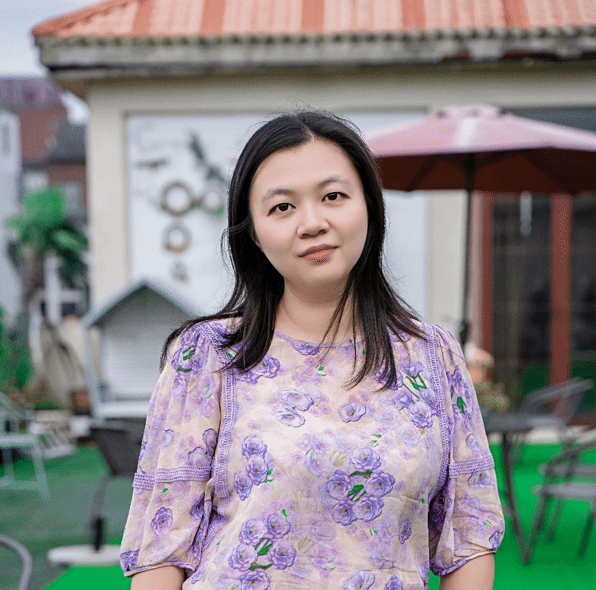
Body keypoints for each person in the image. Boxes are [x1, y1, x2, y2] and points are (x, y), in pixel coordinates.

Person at [120, 110, 504, 590]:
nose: (312, 223)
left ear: (369, 206)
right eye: (282, 207)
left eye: (333, 196)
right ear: (254, 233)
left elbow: (468, 540)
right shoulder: (208, 357)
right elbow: (161, 550)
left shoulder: (434, 358)